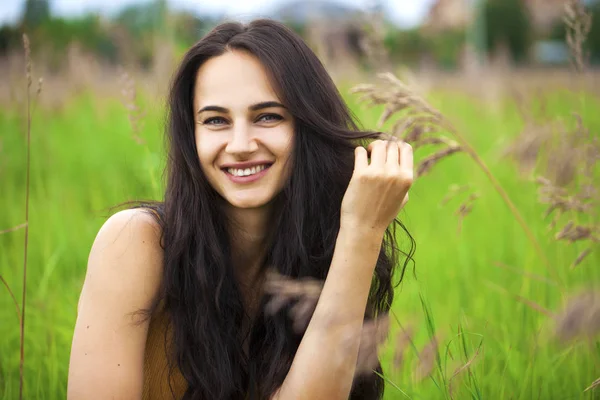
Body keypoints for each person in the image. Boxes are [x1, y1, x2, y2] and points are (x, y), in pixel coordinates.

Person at [67, 19, 414, 400]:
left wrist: (361, 232)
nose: (240, 144)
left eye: (268, 116)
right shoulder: (135, 243)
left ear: (308, 128)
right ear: (191, 135)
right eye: (216, 120)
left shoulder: (324, 251)